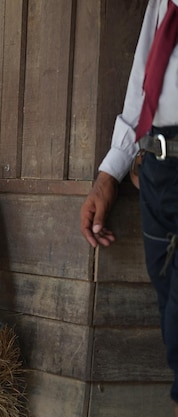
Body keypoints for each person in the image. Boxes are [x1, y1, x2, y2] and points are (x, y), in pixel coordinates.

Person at [79, 0, 178, 413]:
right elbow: (143, 84)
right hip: (160, 170)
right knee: (170, 317)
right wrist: (110, 173)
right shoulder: (164, 4)